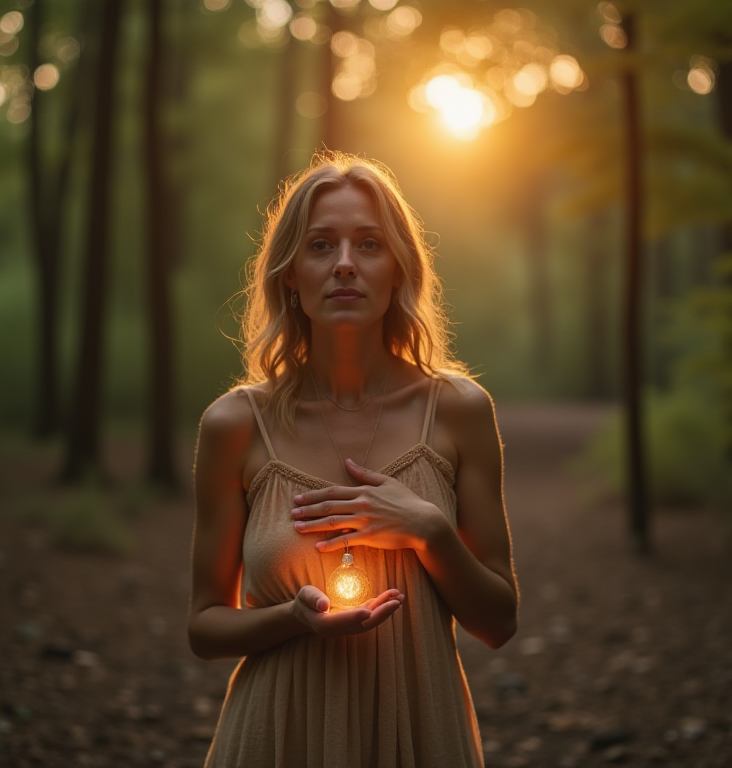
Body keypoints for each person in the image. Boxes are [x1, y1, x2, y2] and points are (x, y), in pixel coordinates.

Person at [188, 152, 518, 767]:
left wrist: (428, 531)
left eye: (369, 244)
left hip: (419, 734)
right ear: (290, 274)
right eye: (320, 245)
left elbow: (499, 622)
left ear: (398, 269)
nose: (344, 263)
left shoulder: (458, 410)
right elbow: (205, 627)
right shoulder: (234, 424)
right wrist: (294, 618)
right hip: (278, 736)